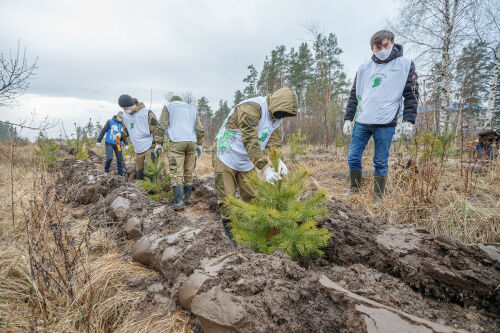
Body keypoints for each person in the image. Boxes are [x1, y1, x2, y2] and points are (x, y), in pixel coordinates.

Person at [213, 87, 298, 244]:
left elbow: (274, 141)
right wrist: (264, 168)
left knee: (252, 196)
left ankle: (254, 235)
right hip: (226, 153)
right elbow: (250, 140)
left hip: (246, 159)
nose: (281, 118)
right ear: (275, 104)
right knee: (227, 198)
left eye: (284, 115)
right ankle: (232, 238)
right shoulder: (251, 108)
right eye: (281, 113)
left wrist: (278, 160)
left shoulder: (276, 117)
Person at [342, 30, 419, 200]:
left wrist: (408, 120)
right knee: (353, 156)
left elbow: (411, 94)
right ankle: (354, 189)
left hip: (386, 122)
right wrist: (348, 118)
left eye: (386, 45)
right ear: (372, 49)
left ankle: (378, 195)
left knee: (380, 161)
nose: (382, 49)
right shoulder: (364, 68)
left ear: (392, 43)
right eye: (378, 47)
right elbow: (354, 94)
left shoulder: (404, 64)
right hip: (362, 120)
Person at [154, 96, 205, 210]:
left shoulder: (169, 106)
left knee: (176, 173)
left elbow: (162, 125)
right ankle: (187, 199)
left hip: (177, 141)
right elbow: (200, 129)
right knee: (189, 172)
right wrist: (199, 144)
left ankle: (178, 203)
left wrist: (158, 142)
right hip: (191, 142)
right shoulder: (192, 108)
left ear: (172, 101)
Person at [116, 94, 160, 180]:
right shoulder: (125, 116)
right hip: (138, 148)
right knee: (140, 173)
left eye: (125, 107)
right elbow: (127, 130)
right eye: (122, 108)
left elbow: (157, 129)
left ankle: (151, 192)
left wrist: (158, 143)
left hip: (150, 145)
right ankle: (141, 192)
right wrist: (121, 134)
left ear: (129, 105)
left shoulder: (146, 112)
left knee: (149, 170)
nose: (124, 110)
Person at [96, 111, 127, 176]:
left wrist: (126, 144)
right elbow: (103, 130)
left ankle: (120, 175)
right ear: (117, 115)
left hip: (118, 144)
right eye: (120, 117)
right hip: (109, 142)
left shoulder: (123, 124)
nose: (121, 118)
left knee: (119, 159)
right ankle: (106, 171)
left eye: (122, 118)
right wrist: (99, 140)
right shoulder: (110, 121)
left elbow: (123, 135)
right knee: (109, 158)